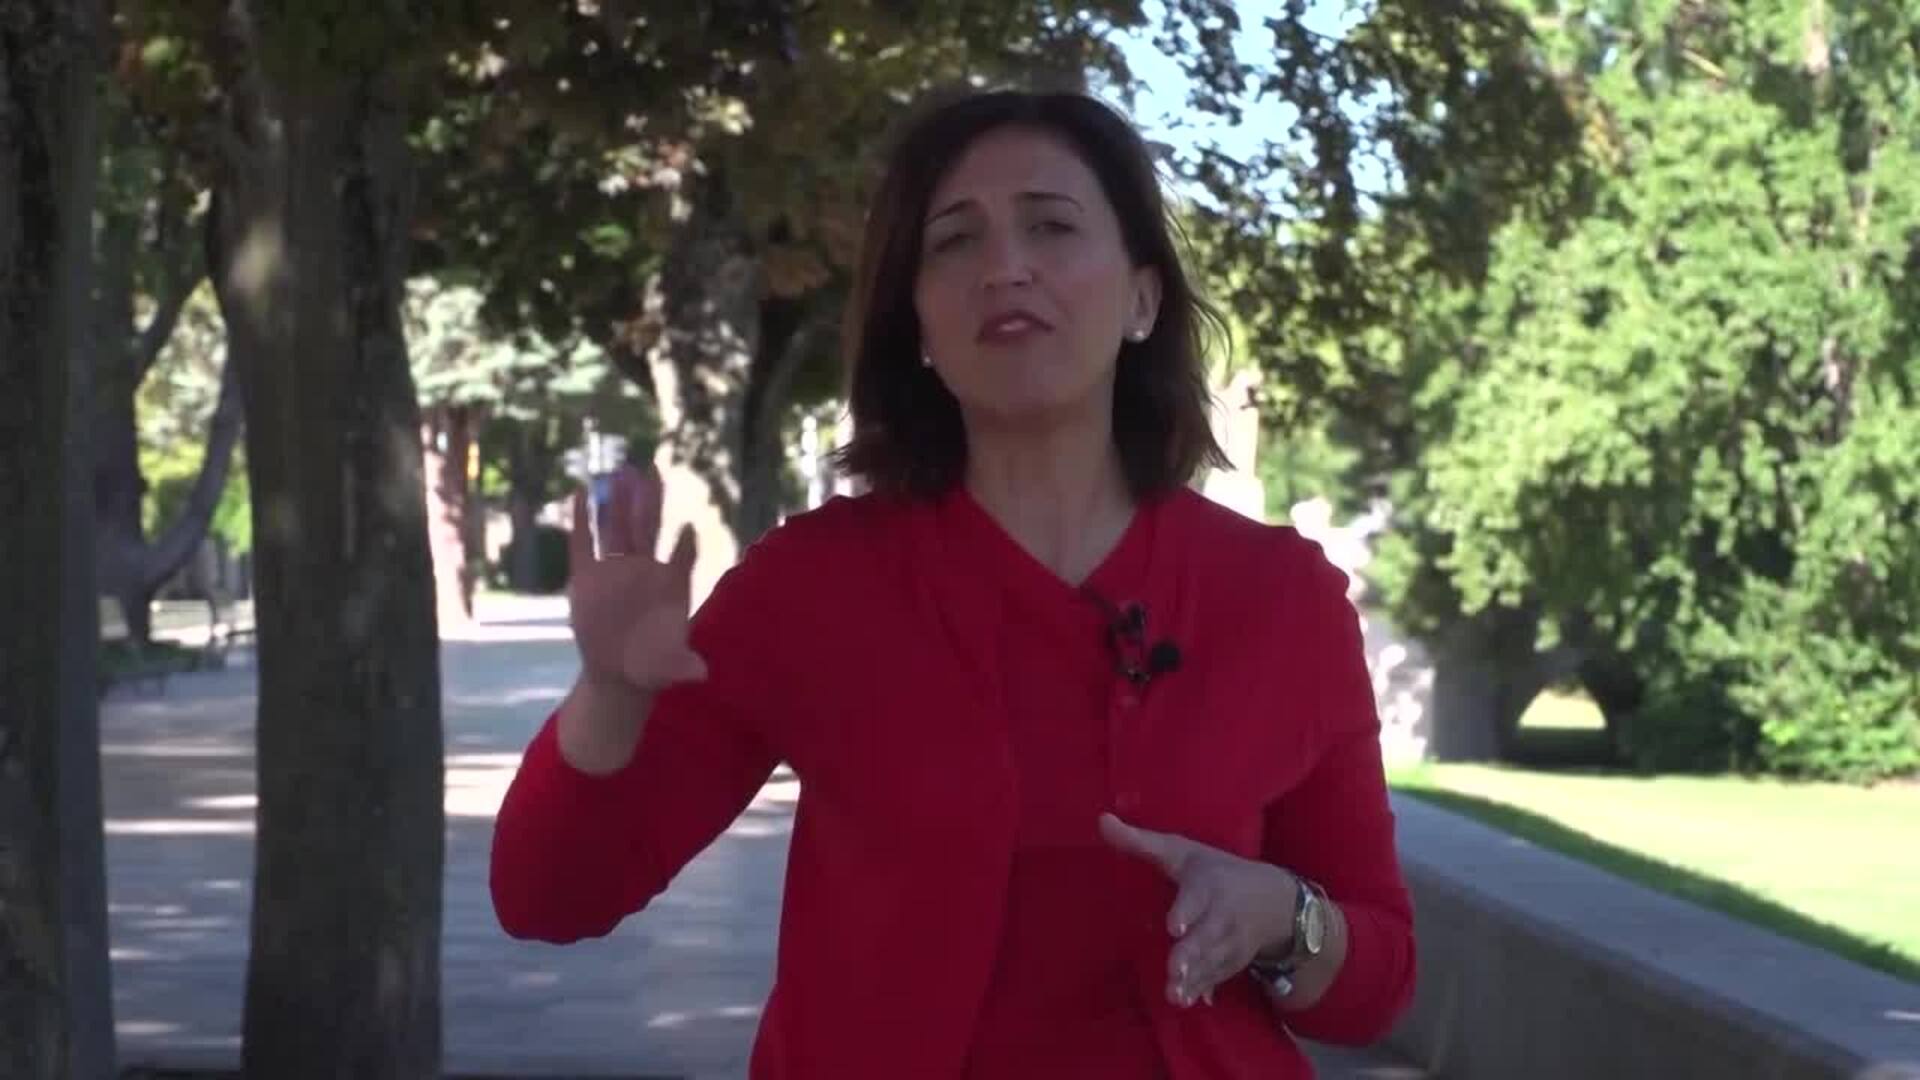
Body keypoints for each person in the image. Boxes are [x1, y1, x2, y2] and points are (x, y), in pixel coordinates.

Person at [490, 88, 1416, 1079]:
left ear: (1142, 300)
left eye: (1050, 226)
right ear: (920, 326)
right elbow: (550, 898)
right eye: (955, 241)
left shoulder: (1280, 596)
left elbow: (1378, 987)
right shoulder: (815, 585)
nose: (1004, 266)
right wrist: (610, 695)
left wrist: (1285, 916)